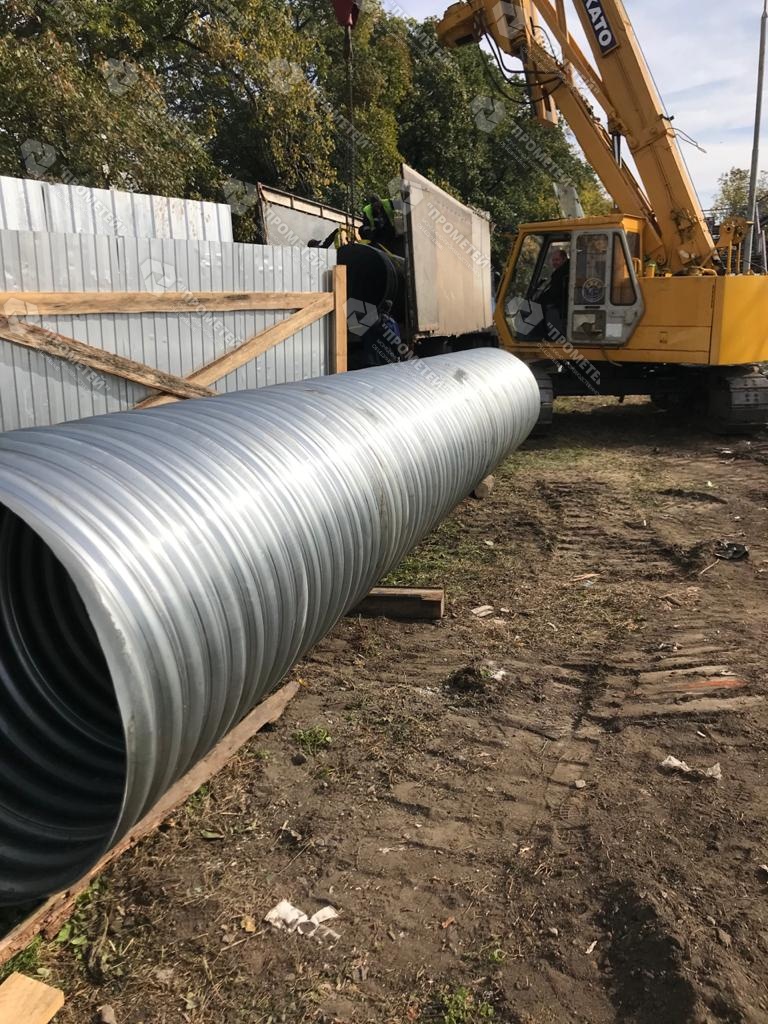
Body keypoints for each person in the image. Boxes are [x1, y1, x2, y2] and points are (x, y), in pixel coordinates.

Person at [362, 300, 402, 367]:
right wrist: (398, 356)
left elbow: (363, 338)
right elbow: (396, 342)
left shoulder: (368, 322)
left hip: (370, 361)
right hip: (387, 361)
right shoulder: (391, 323)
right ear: (389, 309)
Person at [540, 248, 570, 337]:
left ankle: (548, 336)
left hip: (561, 307)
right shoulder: (565, 270)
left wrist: (541, 299)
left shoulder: (561, 273)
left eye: (557, 260)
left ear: (564, 259)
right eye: (553, 260)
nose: (554, 262)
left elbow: (554, 292)